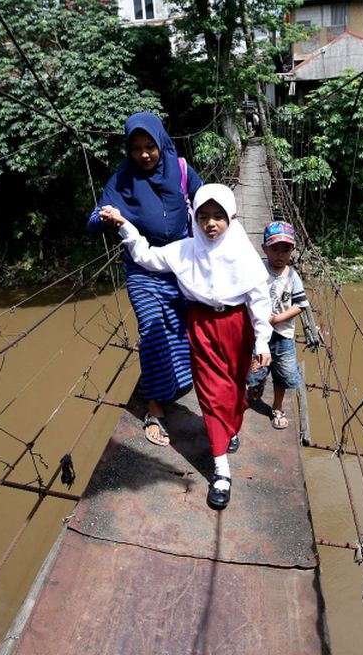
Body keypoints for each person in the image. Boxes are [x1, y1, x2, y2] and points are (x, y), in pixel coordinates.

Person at [99, 184, 271, 511]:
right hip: (202, 326)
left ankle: (229, 428)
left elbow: (259, 297)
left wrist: (262, 338)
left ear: (231, 217)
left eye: (219, 216)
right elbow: (147, 257)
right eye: (203, 216)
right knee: (211, 393)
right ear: (195, 219)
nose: (210, 224)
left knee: (234, 390)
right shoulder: (186, 250)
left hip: (238, 326)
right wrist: (125, 225)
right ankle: (220, 470)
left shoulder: (243, 252)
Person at [87, 112, 202, 447]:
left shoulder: (179, 168)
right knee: (152, 331)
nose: (144, 154)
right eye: (136, 148)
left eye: (150, 146)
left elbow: (208, 200)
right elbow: (93, 219)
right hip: (142, 266)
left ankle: (170, 388)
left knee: (180, 330)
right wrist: (107, 217)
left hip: (181, 263)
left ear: (161, 142)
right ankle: (154, 409)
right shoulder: (123, 178)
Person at [246, 221, 308, 430]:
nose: (280, 255)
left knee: (283, 374)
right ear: (263, 249)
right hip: (259, 334)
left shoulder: (292, 276)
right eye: (274, 249)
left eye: (285, 249)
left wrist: (276, 319)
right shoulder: (257, 269)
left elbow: (300, 305)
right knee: (255, 369)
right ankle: (257, 385)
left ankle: (277, 407)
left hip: (283, 336)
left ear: (293, 250)